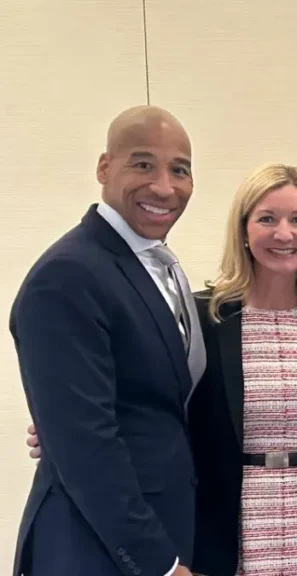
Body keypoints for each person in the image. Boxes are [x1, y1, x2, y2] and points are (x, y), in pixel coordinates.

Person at [10, 106, 203, 575]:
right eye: (142, 164)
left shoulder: (159, 266)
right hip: (94, 548)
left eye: (179, 170)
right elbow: (86, 449)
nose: (164, 186)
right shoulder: (67, 274)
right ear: (104, 167)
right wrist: (161, 564)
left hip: (163, 532)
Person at [185, 164, 297, 575]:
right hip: (232, 523)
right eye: (267, 218)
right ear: (244, 231)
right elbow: (157, 405)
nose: (284, 234)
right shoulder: (204, 318)